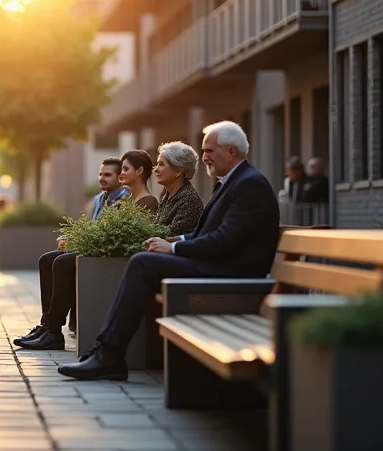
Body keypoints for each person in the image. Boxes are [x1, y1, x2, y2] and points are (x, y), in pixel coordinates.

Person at [58, 121, 280, 381]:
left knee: (142, 264)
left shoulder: (248, 184)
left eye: (210, 150)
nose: (205, 157)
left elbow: (224, 240)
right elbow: (208, 234)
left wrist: (174, 247)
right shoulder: (233, 182)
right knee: (144, 261)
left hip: (232, 274)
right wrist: (177, 239)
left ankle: (109, 354)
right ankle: (108, 352)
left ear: (232, 151)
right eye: (204, 150)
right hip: (222, 266)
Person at [15, 158, 130, 350]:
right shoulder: (101, 198)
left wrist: (76, 241)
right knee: (46, 260)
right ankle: (47, 326)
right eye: (100, 174)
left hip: (105, 255)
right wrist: (73, 237)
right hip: (92, 247)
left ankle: (52, 331)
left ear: (120, 177)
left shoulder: (123, 199)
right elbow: (93, 229)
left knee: (61, 262)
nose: (102, 178)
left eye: (107, 175)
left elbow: (106, 235)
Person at [152, 141, 205, 237]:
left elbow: (173, 236)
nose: (156, 169)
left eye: (161, 164)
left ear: (179, 170)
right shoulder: (167, 195)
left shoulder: (189, 200)